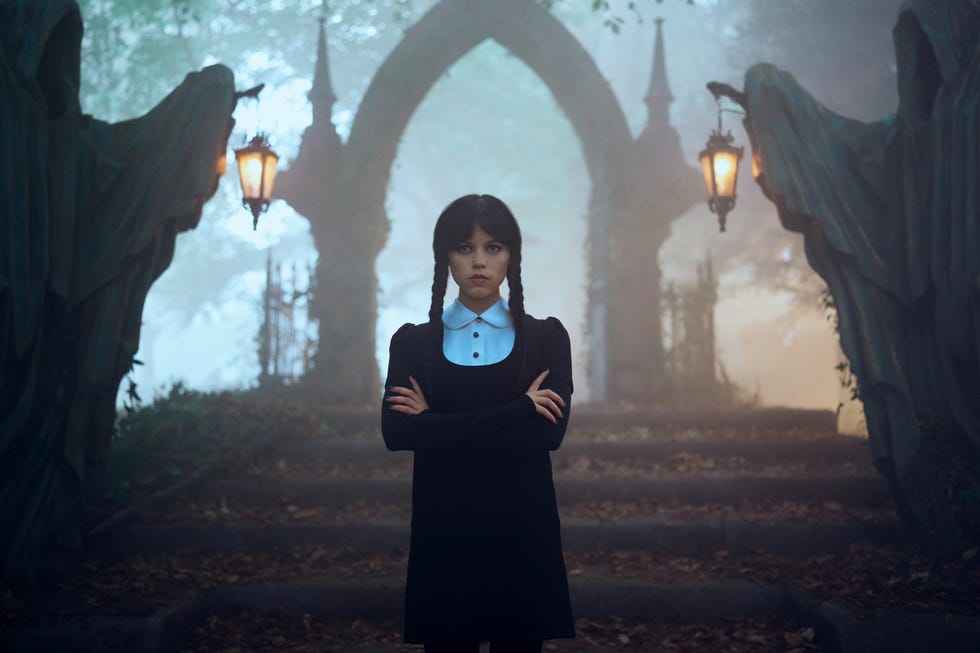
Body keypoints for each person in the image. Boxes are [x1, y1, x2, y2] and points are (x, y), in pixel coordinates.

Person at [381, 194, 576, 653]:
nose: (479, 262)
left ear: (512, 255)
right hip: (444, 535)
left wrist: (434, 425)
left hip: (522, 535)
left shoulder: (547, 339)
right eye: (464, 248)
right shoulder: (411, 343)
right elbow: (396, 434)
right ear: (445, 256)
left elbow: (547, 434)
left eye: (493, 248)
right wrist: (518, 409)